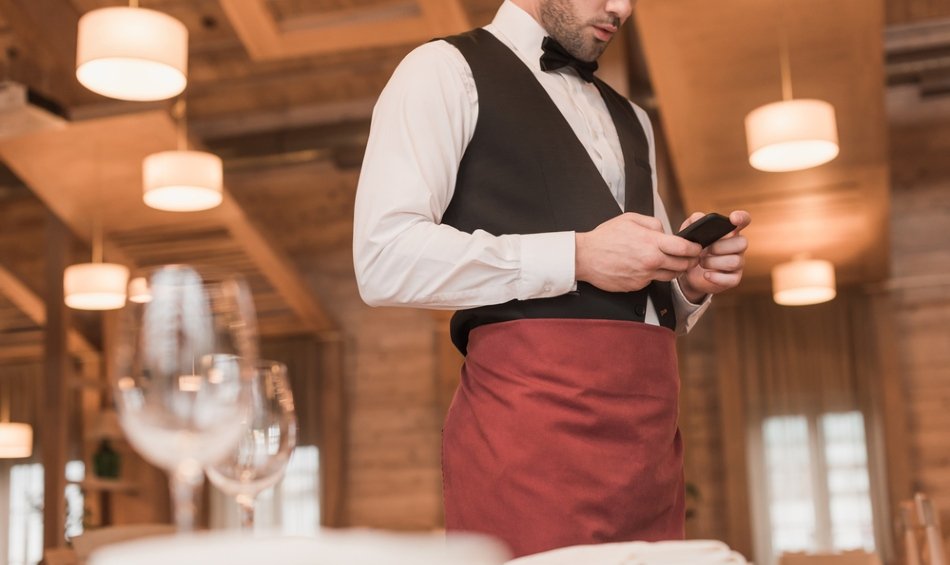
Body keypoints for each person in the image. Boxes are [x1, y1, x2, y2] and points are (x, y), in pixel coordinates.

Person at [353, 0, 750, 557]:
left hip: (649, 442)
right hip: (529, 437)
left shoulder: (634, 119)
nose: (623, 7)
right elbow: (382, 259)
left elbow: (641, 291)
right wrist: (577, 255)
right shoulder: (442, 70)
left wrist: (688, 284)